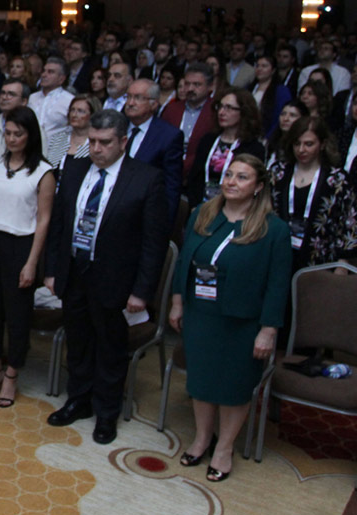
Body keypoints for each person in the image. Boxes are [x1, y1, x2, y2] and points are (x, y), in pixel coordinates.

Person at [44, 109, 168, 445]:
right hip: (74, 270)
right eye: (93, 141)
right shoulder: (74, 169)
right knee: (78, 341)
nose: (96, 149)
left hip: (115, 278)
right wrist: (52, 270)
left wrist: (142, 291)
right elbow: (59, 224)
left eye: (105, 142)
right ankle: (78, 400)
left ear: (123, 142)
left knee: (110, 348)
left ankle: (106, 412)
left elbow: (153, 243)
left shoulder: (146, 178)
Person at [169, 156, 290, 482]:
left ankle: (224, 447)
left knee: (234, 386)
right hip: (201, 314)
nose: (231, 181)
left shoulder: (274, 230)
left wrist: (268, 330)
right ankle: (202, 438)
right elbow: (184, 263)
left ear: (259, 186)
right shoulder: (203, 213)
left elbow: (278, 285)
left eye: (242, 177)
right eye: (229, 174)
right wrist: (178, 302)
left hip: (242, 321)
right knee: (201, 380)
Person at [0, 107, 55, 406]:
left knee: (17, 316)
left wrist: (32, 263)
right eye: (8, 133)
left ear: (31, 136)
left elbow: (43, 220)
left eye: (19, 134)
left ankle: (12, 376)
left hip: (20, 245)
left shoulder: (43, 172)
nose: (12, 139)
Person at [269, 115, 357, 273]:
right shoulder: (277, 173)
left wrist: (342, 264)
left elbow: (348, 223)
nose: (301, 150)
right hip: (277, 256)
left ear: (322, 144)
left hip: (320, 262)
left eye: (309, 144)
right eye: (297, 143)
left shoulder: (337, 180)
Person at [186, 88, 265, 206]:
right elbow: (194, 177)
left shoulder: (253, 148)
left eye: (229, 108)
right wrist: (194, 206)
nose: (221, 112)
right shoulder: (208, 140)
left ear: (244, 112)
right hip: (201, 205)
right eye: (220, 106)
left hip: (234, 208)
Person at [125, 79, 184, 224]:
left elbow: (171, 185)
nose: (130, 103)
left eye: (138, 98)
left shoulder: (169, 136)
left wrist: (164, 225)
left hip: (143, 215)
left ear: (154, 104)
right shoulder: (116, 126)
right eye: (129, 96)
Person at [160, 62, 217, 179]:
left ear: (210, 86)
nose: (190, 89)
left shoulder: (215, 112)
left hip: (199, 173)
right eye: (187, 84)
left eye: (197, 84)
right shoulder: (172, 109)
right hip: (168, 170)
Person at [28, 56, 74, 165]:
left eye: (50, 72)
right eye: (44, 71)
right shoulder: (32, 98)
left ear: (61, 79)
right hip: (30, 152)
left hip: (56, 156)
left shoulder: (69, 100)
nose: (44, 75)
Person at [50, 94, 100, 177]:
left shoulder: (96, 143)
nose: (74, 115)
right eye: (72, 110)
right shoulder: (58, 139)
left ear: (92, 115)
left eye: (80, 111)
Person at [266, 100, 308, 171]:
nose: (285, 119)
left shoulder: (302, 146)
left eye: (292, 115)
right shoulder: (273, 141)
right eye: (283, 114)